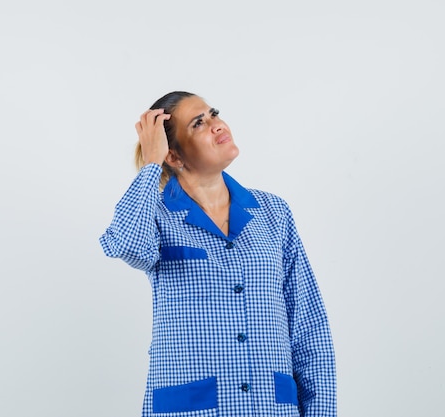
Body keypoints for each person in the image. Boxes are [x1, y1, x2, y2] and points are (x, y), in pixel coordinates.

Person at [99, 91, 337, 416]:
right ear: (175, 156)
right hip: (192, 409)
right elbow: (127, 245)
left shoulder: (273, 213)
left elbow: (308, 325)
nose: (217, 125)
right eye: (199, 123)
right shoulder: (155, 214)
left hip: (271, 407)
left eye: (214, 114)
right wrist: (151, 164)